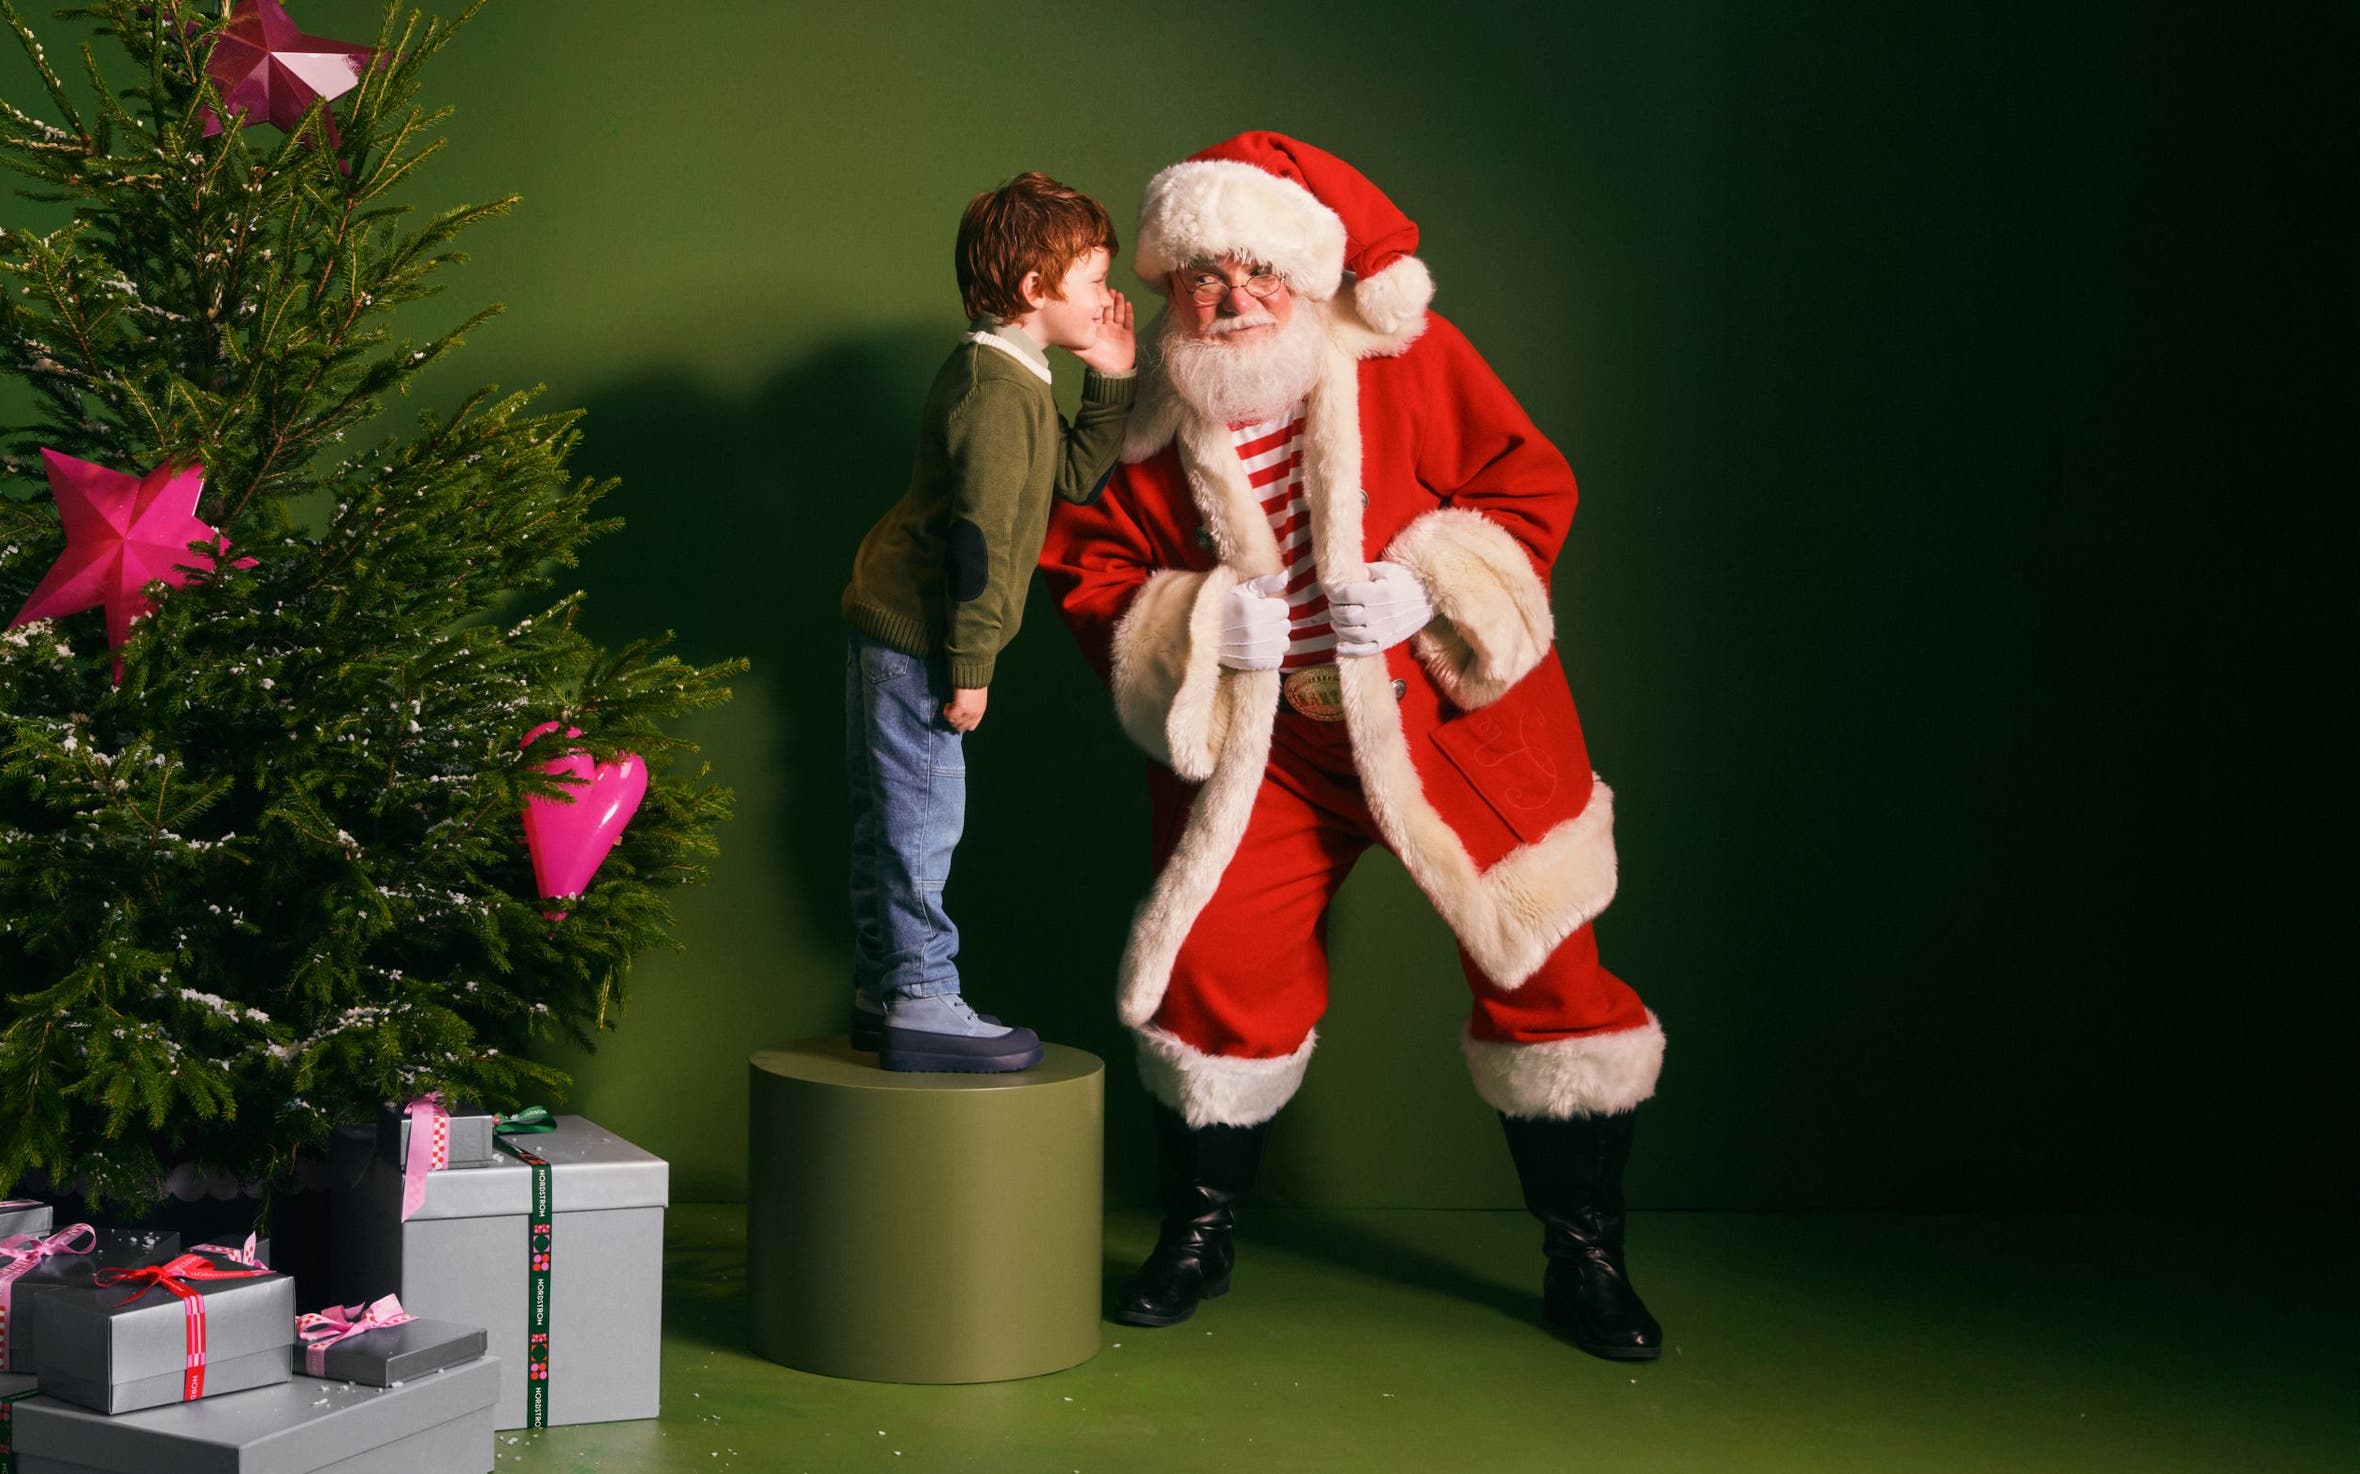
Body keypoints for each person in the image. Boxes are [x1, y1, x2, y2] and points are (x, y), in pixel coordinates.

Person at [1039, 133, 1666, 1358]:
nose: (1231, 301)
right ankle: (1199, 1225)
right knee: (1214, 973)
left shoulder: (1409, 358)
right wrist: (1212, 620)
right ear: (1171, 285)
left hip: (1448, 727)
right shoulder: (1148, 414)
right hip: (1268, 748)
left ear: (1309, 273)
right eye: (1203, 277)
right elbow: (1089, 568)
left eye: (1258, 272)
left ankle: (1584, 1251)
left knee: (1548, 978)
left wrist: (1435, 581)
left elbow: (1526, 483)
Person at [840, 172, 1136, 1072]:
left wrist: (1111, 379)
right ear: (1035, 290)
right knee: (920, 818)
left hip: (904, 625)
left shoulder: (1012, 372)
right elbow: (976, 545)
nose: (1109, 298)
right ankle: (922, 995)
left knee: (892, 814)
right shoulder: (994, 391)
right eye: (1092, 280)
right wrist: (970, 668)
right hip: (923, 638)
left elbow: (1073, 477)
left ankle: (883, 986)